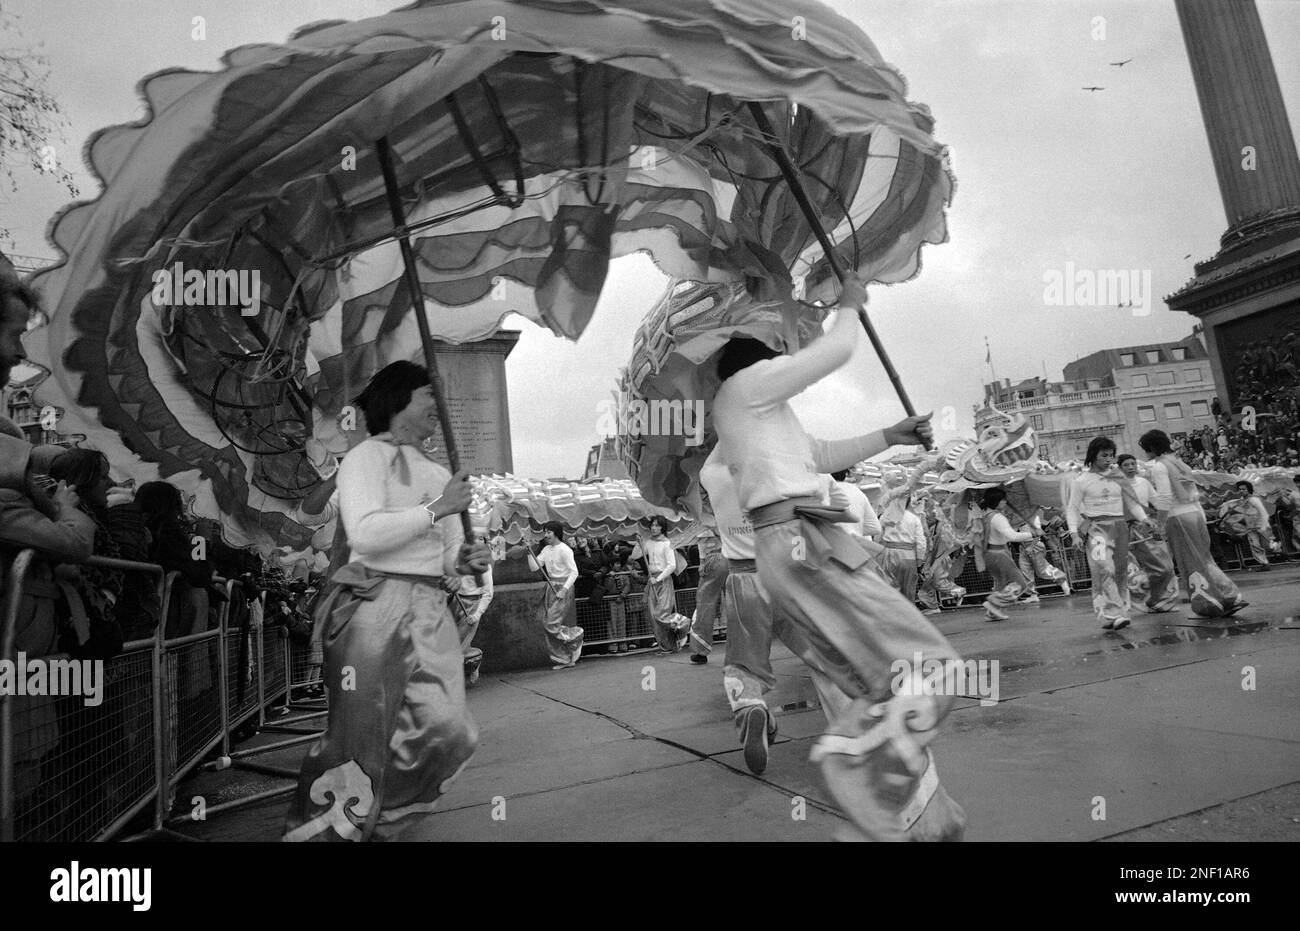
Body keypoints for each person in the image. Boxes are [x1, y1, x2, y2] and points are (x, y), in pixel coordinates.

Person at [711, 271, 964, 842]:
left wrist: (889, 434)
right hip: (799, 542)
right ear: (759, 352)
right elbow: (838, 351)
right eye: (779, 343)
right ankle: (853, 764)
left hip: (796, 544)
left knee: (868, 680)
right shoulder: (747, 386)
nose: (787, 350)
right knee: (927, 663)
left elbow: (819, 454)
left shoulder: (753, 412)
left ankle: (913, 815)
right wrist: (849, 303)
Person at [283, 361, 490, 842]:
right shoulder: (365, 459)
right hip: (374, 607)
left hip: (430, 611)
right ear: (398, 400)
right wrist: (439, 507)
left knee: (448, 731)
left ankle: (382, 822)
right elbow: (367, 535)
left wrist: (464, 558)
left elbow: (440, 557)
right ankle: (325, 835)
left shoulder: (439, 471)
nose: (437, 406)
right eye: (427, 395)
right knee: (358, 739)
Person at [699, 446, 854, 775]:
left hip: (744, 581)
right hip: (788, 577)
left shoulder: (713, 477)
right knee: (823, 656)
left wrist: (722, 407)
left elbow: (716, 452)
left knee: (743, 665)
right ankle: (853, 732)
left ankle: (751, 706)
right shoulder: (780, 480)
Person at [1141, 429, 1246, 617]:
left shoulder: (1159, 466)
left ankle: (1209, 601)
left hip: (1178, 516)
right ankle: (1229, 595)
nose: (1146, 454)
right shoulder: (1180, 463)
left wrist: (1160, 524)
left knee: (1190, 561)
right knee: (1205, 558)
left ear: (1151, 448)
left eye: (1146, 450)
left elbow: (1165, 497)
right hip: (1195, 513)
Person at [1066, 437, 1145, 630]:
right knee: (1104, 568)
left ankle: (1112, 614)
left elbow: (1132, 503)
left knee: (1119, 572)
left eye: (1111, 455)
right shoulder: (1081, 481)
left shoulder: (1118, 476)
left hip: (1120, 528)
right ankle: (1115, 612)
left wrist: (1145, 520)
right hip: (1097, 530)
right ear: (1093, 456)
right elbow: (1072, 508)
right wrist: (1074, 534)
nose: (1109, 459)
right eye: (1104, 455)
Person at [1116, 454, 1180, 613]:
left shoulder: (1144, 482)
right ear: (1120, 468)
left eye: (1133, 464)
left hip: (1145, 528)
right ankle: (1132, 604)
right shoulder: (1115, 486)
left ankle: (1161, 599)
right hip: (1123, 530)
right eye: (1126, 465)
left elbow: (1157, 501)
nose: (1131, 467)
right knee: (1130, 569)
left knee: (1164, 565)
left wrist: (1171, 511)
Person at [974, 487, 1035, 621]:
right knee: (1019, 584)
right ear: (996, 501)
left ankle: (992, 613)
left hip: (989, 554)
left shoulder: (985, 515)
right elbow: (1011, 536)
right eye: (1002, 500)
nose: (1005, 502)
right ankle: (993, 603)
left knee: (1001, 584)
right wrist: (1032, 533)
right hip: (999, 554)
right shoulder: (997, 517)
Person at [534, 522, 584, 668]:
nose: (546, 535)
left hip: (562, 588)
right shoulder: (546, 549)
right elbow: (534, 566)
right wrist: (528, 550)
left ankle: (575, 634)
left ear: (556, 532)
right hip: (551, 587)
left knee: (551, 623)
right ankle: (564, 658)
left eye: (548, 532)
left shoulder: (565, 550)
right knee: (547, 623)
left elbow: (574, 572)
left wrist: (564, 589)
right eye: (545, 532)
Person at [640, 515, 689, 653]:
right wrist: (638, 540)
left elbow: (672, 565)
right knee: (652, 615)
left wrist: (659, 578)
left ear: (662, 527)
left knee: (660, 614)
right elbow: (634, 555)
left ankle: (683, 623)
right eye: (652, 525)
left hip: (664, 581)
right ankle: (667, 646)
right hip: (652, 581)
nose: (654, 528)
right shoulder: (647, 543)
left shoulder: (667, 543)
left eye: (657, 525)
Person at [1011, 505, 1069, 602]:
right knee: (1025, 571)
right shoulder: (1017, 519)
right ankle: (1032, 594)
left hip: (1035, 546)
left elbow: (1039, 534)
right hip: (1023, 547)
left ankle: (1061, 579)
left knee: (1041, 570)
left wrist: (1032, 546)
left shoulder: (1034, 517)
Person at [687, 531, 727, 665]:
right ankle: (751, 645)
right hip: (736, 557)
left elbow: (702, 540)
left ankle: (700, 650)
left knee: (705, 604)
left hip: (714, 559)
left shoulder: (704, 516)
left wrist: (702, 562)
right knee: (739, 603)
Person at [1219, 480, 1274, 570]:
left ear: (1249, 489)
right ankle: (1264, 563)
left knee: (1269, 545)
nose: (1241, 491)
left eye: (1244, 489)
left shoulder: (1254, 499)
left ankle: (1279, 551)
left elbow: (1263, 512)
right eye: (1240, 489)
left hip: (1261, 526)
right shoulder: (1242, 501)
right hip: (1250, 528)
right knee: (1255, 546)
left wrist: (1264, 526)